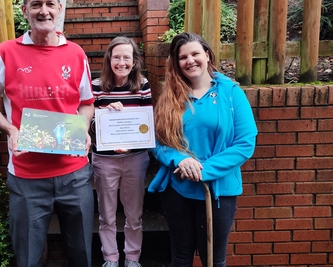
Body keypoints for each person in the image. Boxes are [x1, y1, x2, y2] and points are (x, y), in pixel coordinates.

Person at [0, 0, 95, 267]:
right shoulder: (6, 53)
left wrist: (84, 129)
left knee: (82, 255)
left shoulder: (76, 54)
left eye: (49, 4)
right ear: (24, 10)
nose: (44, 11)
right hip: (26, 177)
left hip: (75, 175)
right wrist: (10, 128)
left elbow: (86, 103)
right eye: (36, 4)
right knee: (28, 259)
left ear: (60, 7)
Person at [148, 32, 257, 267]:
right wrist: (179, 159)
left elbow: (245, 143)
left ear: (207, 55)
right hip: (177, 189)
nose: (190, 60)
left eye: (195, 53)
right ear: (176, 63)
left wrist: (203, 169)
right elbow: (157, 142)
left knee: (213, 259)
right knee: (180, 256)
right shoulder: (170, 95)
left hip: (218, 192)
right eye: (182, 57)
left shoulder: (231, 93)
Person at [91, 37, 152, 267]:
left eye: (127, 57)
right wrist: (105, 115)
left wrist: (132, 145)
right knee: (106, 213)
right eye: (117, 57)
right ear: (109, 59)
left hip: (135, 158)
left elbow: (147, 126)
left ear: (135, 61)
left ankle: (133, 257)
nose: (122, 62)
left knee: (134, 213)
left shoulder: (143, 85)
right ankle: (111, 258)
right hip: (105, 160)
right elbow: (90, 126)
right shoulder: (96, 86)